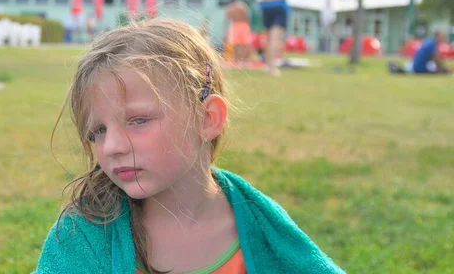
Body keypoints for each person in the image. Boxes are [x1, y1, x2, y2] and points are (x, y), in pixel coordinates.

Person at [33, 18, 344, 274]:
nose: (111, 146)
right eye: (98, 130)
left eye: (138, 120)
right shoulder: (82, 237)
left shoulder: (264, 228)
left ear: (208, 119)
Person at [224, 0, 252, 67]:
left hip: (235, 26)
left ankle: (236, 61)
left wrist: (225, 32)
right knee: (245, 44)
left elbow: (226, 21)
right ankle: (244, 61)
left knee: (236, 45)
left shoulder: (229, 9)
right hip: (244, 25)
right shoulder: (242, 7)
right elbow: (247, 17)